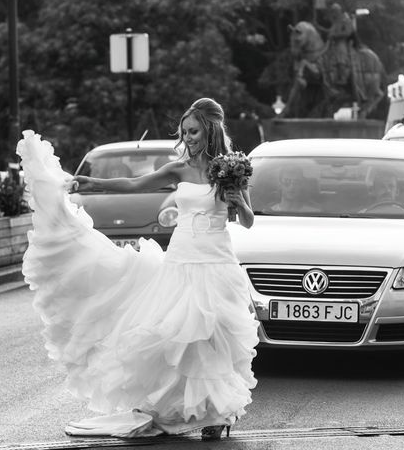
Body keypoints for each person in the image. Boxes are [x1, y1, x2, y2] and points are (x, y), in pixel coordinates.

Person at [16, 97, 259, 441]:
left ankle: (218, 414)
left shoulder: (231, 169)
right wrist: (91, 183)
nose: (187, 138)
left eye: (194, 131)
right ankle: (186, 408)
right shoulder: (178, 169)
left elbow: (248, 221)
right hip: (182, 258)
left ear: (210, 130)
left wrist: (236, 202)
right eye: (184, 132)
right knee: (180, 334)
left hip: (217, 259)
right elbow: (134, 184)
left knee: (215, 335)